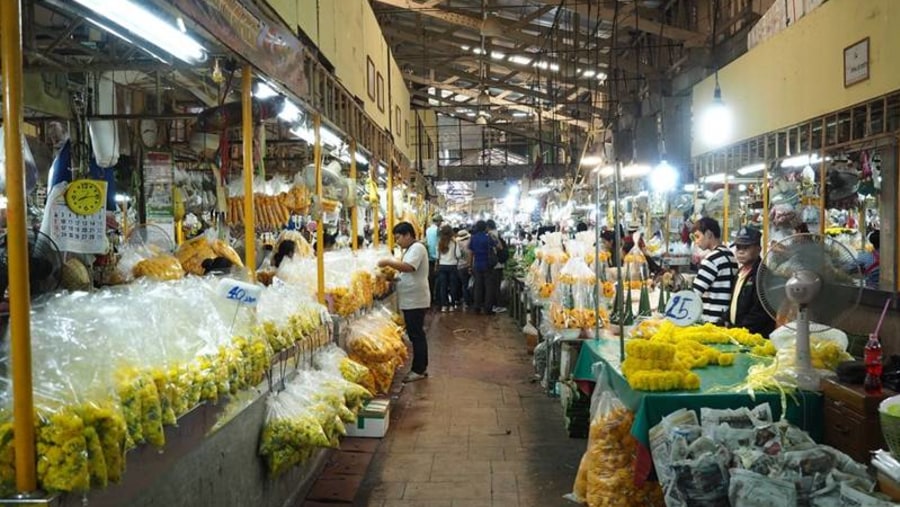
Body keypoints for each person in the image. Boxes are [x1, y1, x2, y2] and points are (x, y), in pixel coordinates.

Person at [377, 222, 429, 382]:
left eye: (398, 237)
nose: (397, 241)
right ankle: (419, 368)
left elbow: (409, 267)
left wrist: (387, 262)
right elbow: (404, 272)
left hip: (416, 300)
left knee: (416, 335)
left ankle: (418, 370)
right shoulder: (410, 250)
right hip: (411, 299)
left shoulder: (418, 248)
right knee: (415, 334)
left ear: (408, 235)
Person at [726, 227, 775, 337]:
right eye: (738, 247)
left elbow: (760, 312)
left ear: (758, 249)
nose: (741, 251)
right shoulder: (739, 273)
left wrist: (738, 330)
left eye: (746, 247)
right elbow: (734, 303)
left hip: (756, 338)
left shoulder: (764, 275)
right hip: (738, 335)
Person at [692, 217, 738, 324]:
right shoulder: (730, 255)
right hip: (726, 318)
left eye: (698, 236)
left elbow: (694, 293)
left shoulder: (711, 259)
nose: (696, 242)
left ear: (708, 234)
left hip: (711, 320)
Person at [468, 220, 496, 314]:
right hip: (487, 264)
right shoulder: (488, 238)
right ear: (485, 228)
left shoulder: (473, 238)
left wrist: (470, 265)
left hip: (477, 264)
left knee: (478, 287)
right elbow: (498, 246)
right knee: (489, 287)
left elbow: (471, 253)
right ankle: (488, 308)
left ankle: (477, 307)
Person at [436, 225, 461, 312]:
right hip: (452, 266)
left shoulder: (439, 243)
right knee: (453, 286)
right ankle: (452, 305)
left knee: (443, 286)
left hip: (442, 266)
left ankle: (444, 305)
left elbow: (437, 256)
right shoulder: (454, 243)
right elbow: (458, 255)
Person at [486, 219, 507, 313]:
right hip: (499, 264)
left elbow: (499, 248)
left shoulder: (491, 235)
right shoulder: (497, 233)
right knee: (496, 285)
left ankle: (498, 305)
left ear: (488, 226)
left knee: (494, 286)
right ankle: (497, 304)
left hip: (495, 264)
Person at [425, 214, 442, 304]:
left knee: (430, 279)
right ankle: (436, 298)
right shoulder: (437, 230)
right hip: (436, 258)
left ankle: (430, 298)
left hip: (428, 257)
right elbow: (439, 244)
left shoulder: (428, 230)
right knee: (437, 280)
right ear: (438, 222)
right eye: (440, 222)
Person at [455, 229, 472, 308]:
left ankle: (465, 301)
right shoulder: (470, 242)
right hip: (469, 265)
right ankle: (470, 300)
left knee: (464, 284)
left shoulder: (457, 244)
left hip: (460, 266)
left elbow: (457, 255)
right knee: (470, 283)